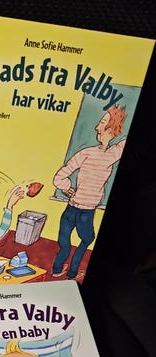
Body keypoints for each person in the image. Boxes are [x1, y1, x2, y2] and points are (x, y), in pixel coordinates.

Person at [52, 105, 127, 280]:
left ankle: (57, 269)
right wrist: (66, 187)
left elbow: (59, 177)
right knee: (86, 240)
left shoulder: (87, 153)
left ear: (111, 129)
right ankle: (72, 273)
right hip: (85, 211)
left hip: (72, 209)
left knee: (65, 241)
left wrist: (66, 187)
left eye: (102, 123)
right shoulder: (111, 154)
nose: (96, 127)